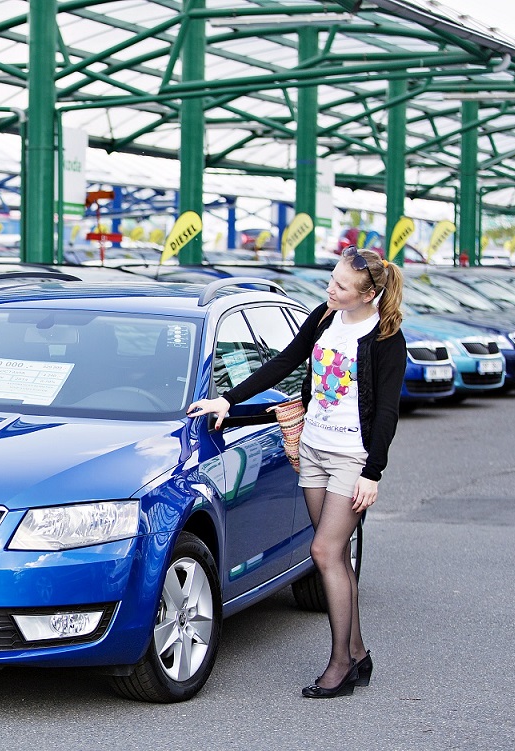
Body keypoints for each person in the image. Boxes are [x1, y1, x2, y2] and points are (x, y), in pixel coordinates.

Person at [186, 248, 406, 699]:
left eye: (342, 286)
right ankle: (360, 654)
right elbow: (285, 361)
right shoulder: (326, 317)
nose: (331, 289)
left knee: (323, 551)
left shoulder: (385, 336)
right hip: (312, 451)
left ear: (368, 294)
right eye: (332, 279)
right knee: (338, 556)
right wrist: (229, 398)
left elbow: (387, 412)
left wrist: (372, 471)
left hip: (351, 458)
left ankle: (341, 664)